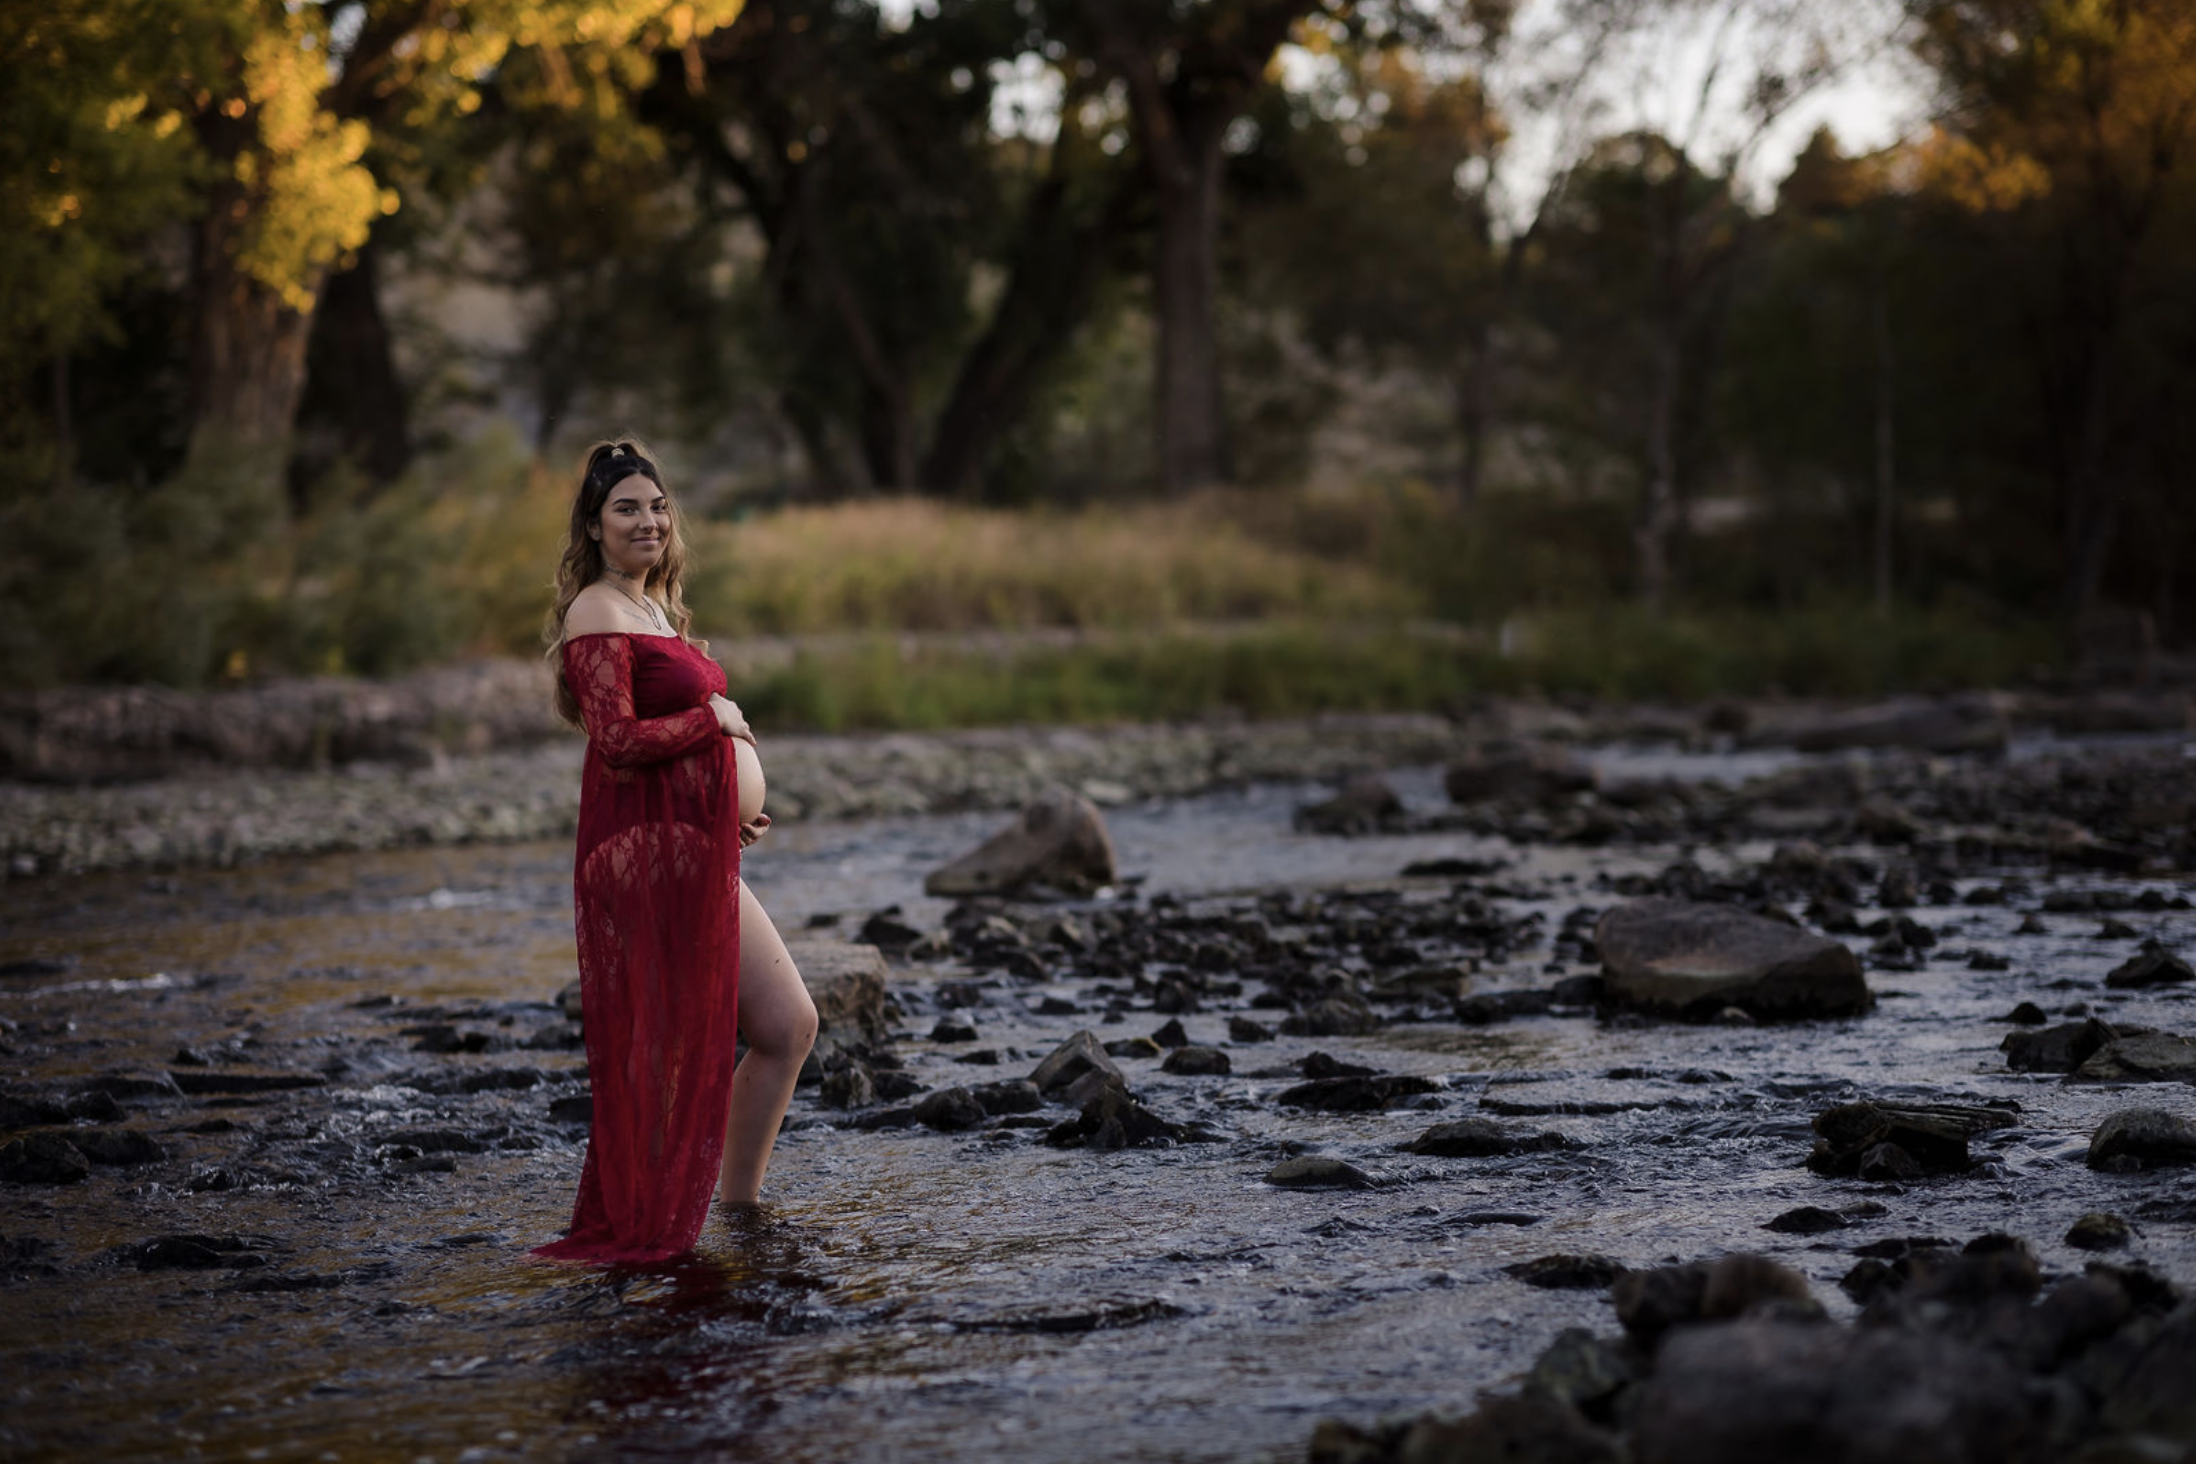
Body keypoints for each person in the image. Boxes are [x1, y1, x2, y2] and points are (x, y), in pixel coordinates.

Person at [532, 439, 817, 1264]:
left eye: (657, 505)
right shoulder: (595, 610)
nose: (648, 520)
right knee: (677, 1047)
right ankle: (663, 1224)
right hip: (642, 853)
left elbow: (665, 748)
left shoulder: (655, 607)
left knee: (786, 1025)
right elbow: (617, 740)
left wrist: (726, 807)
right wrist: (716, 722)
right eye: (626, 507)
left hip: (691, 841)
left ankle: (731, 1212)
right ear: (593, 524)